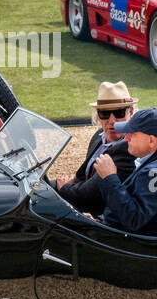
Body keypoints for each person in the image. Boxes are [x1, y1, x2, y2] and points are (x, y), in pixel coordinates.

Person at [49, 82, 139, 215]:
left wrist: (65, 188)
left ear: (130, 112)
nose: (112, 120)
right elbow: (83, 176)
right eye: (105, 113)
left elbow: (91, 193)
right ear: (98, 114)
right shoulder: (98, 136)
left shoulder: (129, 149)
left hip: (96, 213)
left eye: (119, 113)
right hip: (80, 196)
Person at [92, 108, 157, 236]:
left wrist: (110, 177)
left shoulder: (155, 174)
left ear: (151, 141)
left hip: (135, 243)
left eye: (133, 133)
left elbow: (134, 219)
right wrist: (100, 220)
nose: (127, 137)